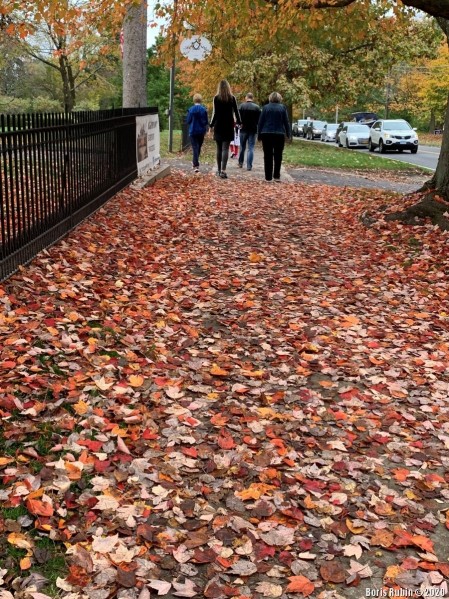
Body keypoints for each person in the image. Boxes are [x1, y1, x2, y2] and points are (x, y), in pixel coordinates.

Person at [209, 80, 241, 179]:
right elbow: (236, 111)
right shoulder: (232, 98)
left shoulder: (216, 98)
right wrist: (239, 122)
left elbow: (215, 113)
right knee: (225, 148)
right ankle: (223, 170)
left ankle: (218, 170)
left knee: (219, 148)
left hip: (219, 124)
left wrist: (211, 125)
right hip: (228, 124)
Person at [257, 92, 291, 182]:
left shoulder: (265, 108)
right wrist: (288, 134)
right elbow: (286, 122)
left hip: (266, 133)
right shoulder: (283, 108)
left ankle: (268, 177)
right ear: (279, 99)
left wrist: (259, 134)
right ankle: (276, 176)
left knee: (267, 155)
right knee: (278, 155)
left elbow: (261, 122)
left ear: (270, 98)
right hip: (279, 134)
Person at [238, 93, 261, 171]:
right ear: (252, 98)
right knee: (251, 148)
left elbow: (238, 118)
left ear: (246, 97)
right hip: (253, 130)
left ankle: (240, 162)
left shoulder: (241, 106)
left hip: (243, 129)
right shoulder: (257, 108)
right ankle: (249, 166)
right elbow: (259, 120)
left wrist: (239, 124)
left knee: (242, 147)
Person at [186, 93, 209, 173]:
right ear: (200, 100)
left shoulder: (191, 109)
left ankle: (195, 164)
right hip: (201, 131)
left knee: (195, 147)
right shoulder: (203, 110)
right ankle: (195, 164)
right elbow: (206, 121)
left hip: (193, 131)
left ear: (194, 100)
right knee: (198, 147)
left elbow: (188, 120)